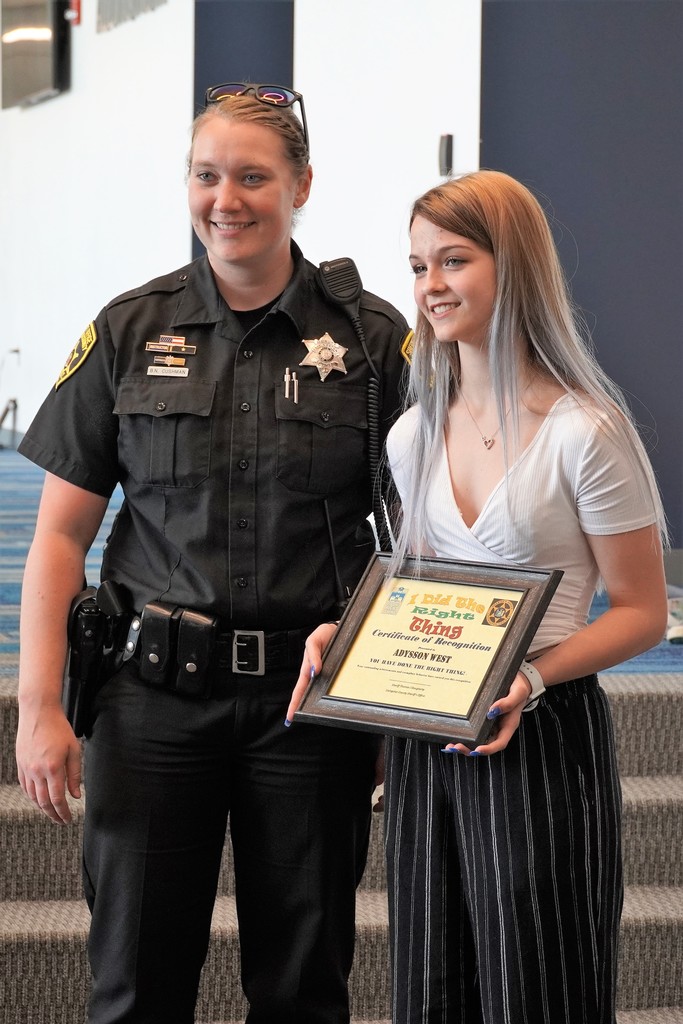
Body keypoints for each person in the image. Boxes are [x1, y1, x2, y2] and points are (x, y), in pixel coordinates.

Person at [15, 83, 410, 1024]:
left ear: (301, 184)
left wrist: (402, 703)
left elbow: (421, 539)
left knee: (303, 985)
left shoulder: (372, 341)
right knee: (137, 982)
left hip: (310, 710)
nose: (224, 199)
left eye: (252, 177)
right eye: (205, 176)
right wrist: (37, 705)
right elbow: (61, 538)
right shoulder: (129, 329)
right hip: (151, 704)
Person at [289, 170, 668, 1024]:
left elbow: (643, 613)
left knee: (541, 990)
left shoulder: (585, 431)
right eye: (418, 266)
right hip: (429, 740)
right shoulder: (413, 430)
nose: (428, 288)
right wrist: (344, 639)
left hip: (537, 734)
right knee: (431, 989)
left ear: (515, 267)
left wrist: (529, 681)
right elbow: (421, 594)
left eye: (452, 261)